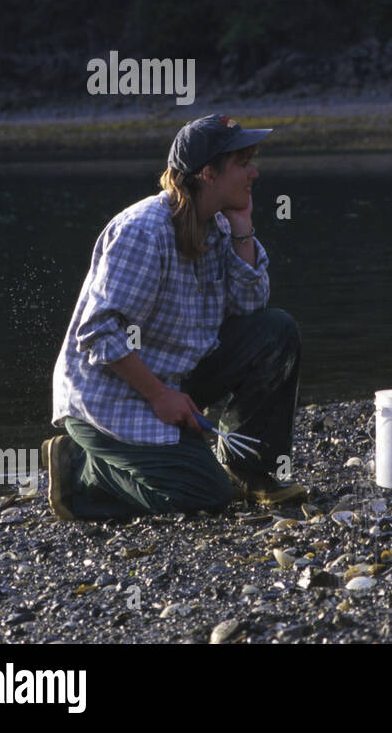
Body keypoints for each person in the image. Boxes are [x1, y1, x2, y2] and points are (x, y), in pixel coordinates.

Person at [43, 114, 304, 520]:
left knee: (276, 332)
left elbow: (251, 311)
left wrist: (242, 228)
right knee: (204, 496)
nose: (254, 172)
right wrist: (159, 396)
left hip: (175, 377)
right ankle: (79, 471)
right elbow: (97, 331)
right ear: (208, 174)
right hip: (109, 396)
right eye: (243, 163)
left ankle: (250, 471)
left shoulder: (219, 224)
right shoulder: (144, 231)